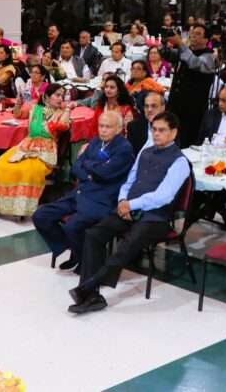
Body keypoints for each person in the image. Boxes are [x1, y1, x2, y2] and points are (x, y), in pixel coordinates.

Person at [67, 112, 190, 314]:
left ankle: (88, 287)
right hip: (128, 209)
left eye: (162, 130)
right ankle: (92, 295)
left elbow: (164, 196)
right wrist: (123, 200)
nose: (156, 134)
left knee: (127, 245)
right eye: (154, 130)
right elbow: (130, 180)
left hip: (155, 218)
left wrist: (131, 204)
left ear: (173, 133)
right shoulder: (146, 152)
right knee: (94, 234)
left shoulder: (179, 162)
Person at [32, 112, 135, 271]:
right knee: (41, 215)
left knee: (72, 226)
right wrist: (92, 169)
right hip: (81, 192)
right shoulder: (95, 142)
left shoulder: (124, 149)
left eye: (108, 127)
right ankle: (75, 250)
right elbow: (76, 167)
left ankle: (83, 259)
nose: (103, 130)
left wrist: (88, 165)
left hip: (102, 199)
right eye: (101, 126)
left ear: (119, 128)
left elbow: (105, 173)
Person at [0, 84, 72, 217]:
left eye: (62, 96)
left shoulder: (61, 113)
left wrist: (68, 108)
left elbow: (63, 125)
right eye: (57, 95)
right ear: (46, 96)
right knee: (0, 164)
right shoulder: (34, 108)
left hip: (46, 150)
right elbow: (17, 115)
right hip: (25, 145)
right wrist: (18, 104)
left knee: (28, 171)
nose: (60, 99)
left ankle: (21, 209)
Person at [167, 26, 216, 148]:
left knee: (187, 141)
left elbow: (195, 63)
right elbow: (167, 55)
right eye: (192, 33)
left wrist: (180, 44)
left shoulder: (209, 56)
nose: (193, 36)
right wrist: (166, 41)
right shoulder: (185, 51)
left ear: (206, 40)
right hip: (175, 104)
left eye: (198, 34)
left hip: (193, 109)